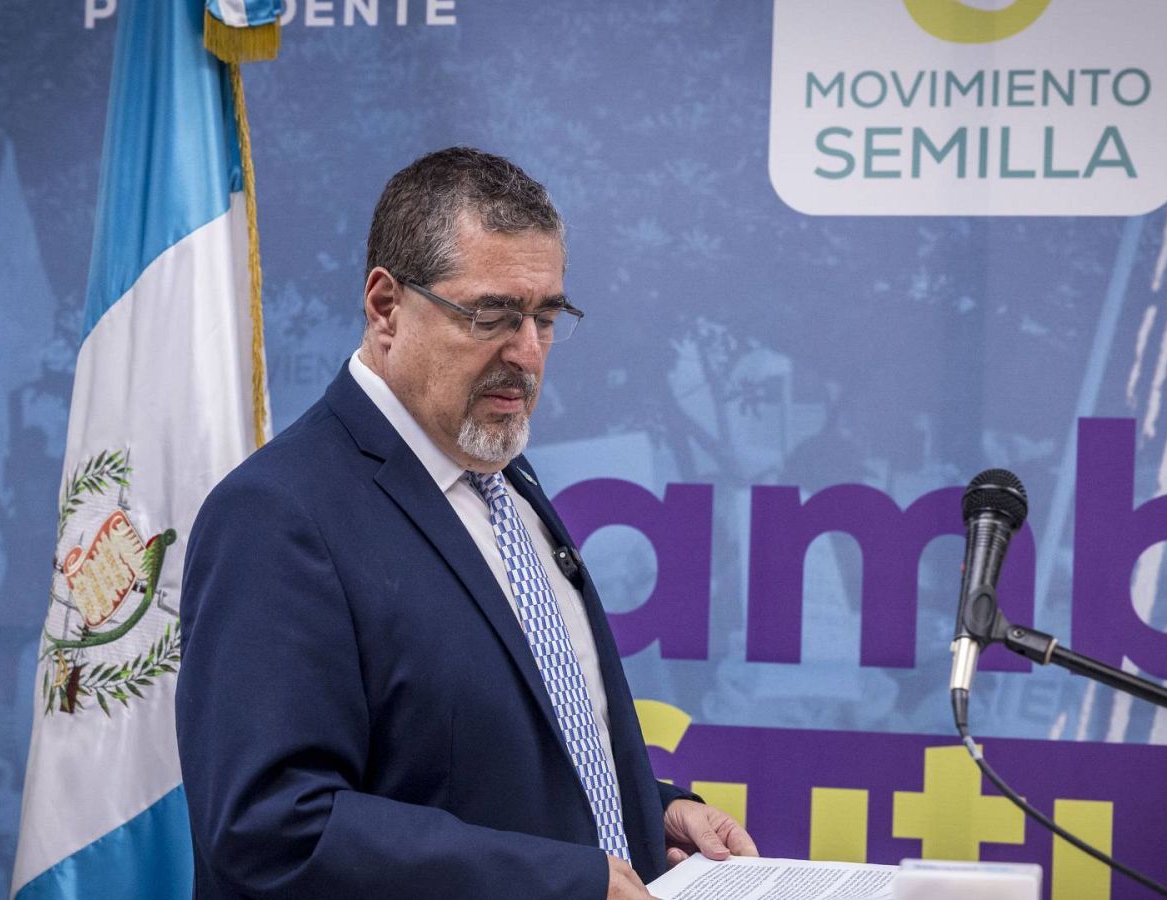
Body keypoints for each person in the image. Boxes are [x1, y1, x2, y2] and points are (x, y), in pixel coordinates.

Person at [177, 147, 756, 899]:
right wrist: (562, 882)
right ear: (385, 306)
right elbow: (271, 828)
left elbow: (504, 741)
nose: (526, 353)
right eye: (491, 315)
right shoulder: (277, 515)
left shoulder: (504, 480)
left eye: (546, 316)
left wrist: (657, 809)